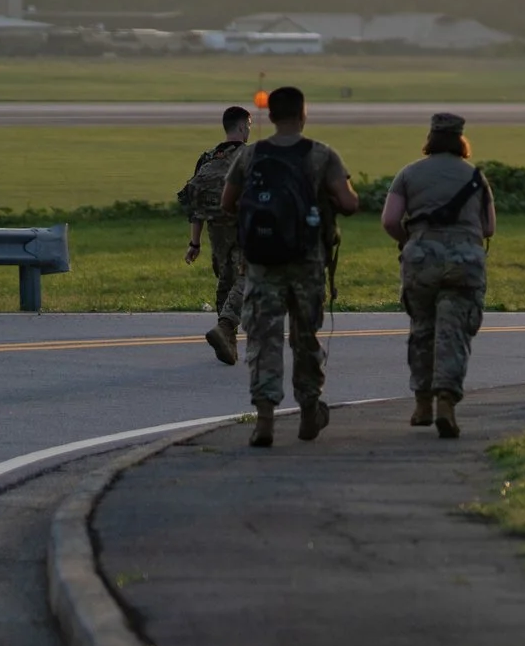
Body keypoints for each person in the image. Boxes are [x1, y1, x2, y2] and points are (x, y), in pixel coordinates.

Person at [218, 86, 358, 448]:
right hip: (306, 263)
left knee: (264, 339)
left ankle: (264, 420)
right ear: (303, 114)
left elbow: (227, 202)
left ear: (271, 117)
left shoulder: (251, 155)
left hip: (263, 264)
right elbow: (348, 203)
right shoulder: (321, 155)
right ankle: (309, 409)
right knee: (305, 337)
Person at [381, 113, 495, 438]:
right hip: (465, 261)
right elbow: (489, 227)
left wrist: (411, 240)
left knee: (423, 330)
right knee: (453, 333)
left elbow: (389, 220)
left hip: (422, 260)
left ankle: (422, 404)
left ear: (430, 138)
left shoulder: (409, 173)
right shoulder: (475, 177)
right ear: (461, 140)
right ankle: (446, 400)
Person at [179, 104, 251, 365]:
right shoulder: (251, 155)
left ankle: (228, 344)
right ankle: (225, 326)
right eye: (249, 126)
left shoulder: (208, 158)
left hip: (216, 231)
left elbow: (195, 206)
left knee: (227, 282)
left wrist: (194, 243)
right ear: (242, 127)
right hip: (245, 227)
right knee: (249, 278)